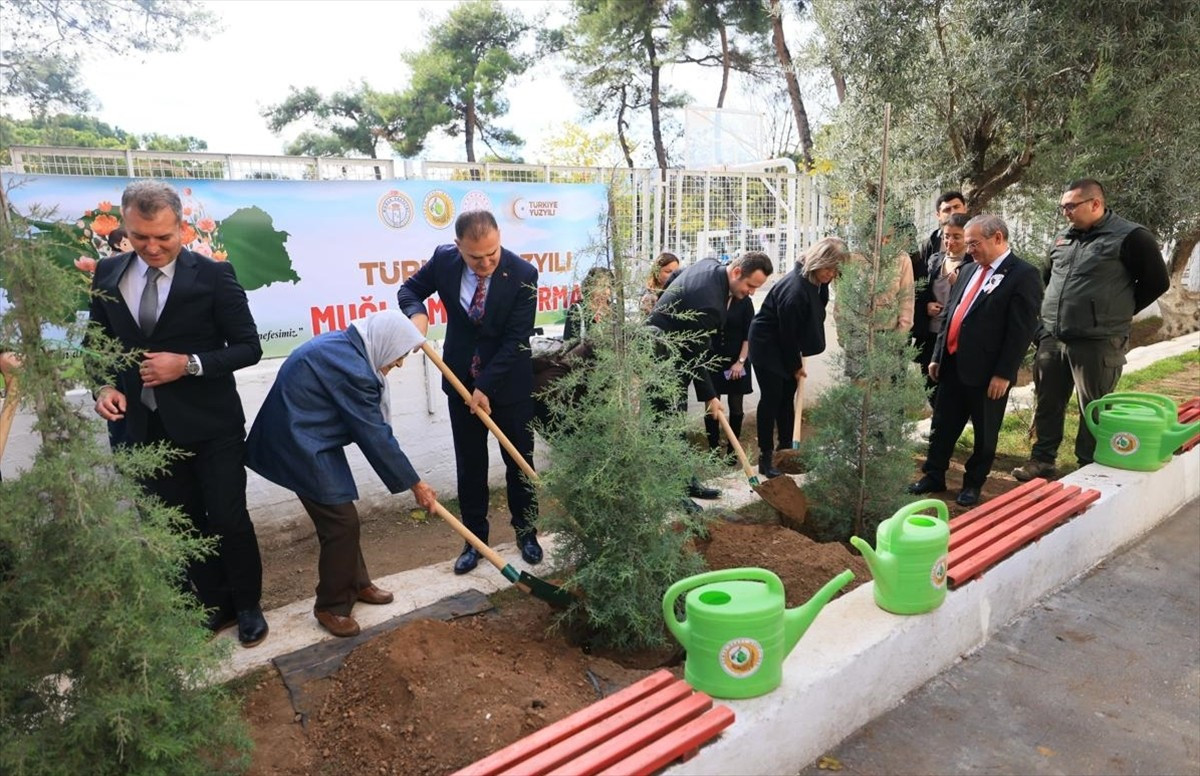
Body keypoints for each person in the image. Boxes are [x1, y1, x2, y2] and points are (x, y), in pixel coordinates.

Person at [88, 180, 268, 646]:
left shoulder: (213, 277)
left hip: (212, 427)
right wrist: (103, 386)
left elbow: (249, 347)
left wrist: (187, 364)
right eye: (140, 236)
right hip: (145, 430)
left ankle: (247, 605)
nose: (151, 247)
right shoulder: (107, 274)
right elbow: (97, 348)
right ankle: (215, 606)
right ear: (126, 226)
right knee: (179, 523)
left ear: (182, 228)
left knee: (227, 517)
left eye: (163, 237)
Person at [246, 311, 438, 638]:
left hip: (310, 430)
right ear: (386, 343)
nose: (400, 364)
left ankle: (357, 582)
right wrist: (415, 484)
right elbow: (374, 435)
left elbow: (372, 432)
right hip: (296, 441)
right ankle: (331, 605)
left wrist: (411, 482)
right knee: (341, 522)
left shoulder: (351, 347)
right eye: (400, 355)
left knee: (341, 516)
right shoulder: (353, 369)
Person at [396, 210, 541, 576]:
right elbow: (409, 290)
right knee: (470, 465)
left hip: (508, 385)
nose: (486, 262)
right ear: (459, 246)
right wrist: (418, 315)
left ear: (499, 239)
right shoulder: (445, 260)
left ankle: (527, 534)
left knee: (519, 463)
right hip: (460, 381)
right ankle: (475, 541)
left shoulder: (523, 274)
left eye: (492, 253)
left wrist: (485, 387)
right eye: (476, 257)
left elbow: (515, 340)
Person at [1012, 179, 1171, 481]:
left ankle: (1087, 465)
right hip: (1053, 338)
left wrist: (1115, 313)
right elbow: (1048, 278)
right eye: (1062, 207)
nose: (1065, 213)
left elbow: (1157, 282)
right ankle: (1042, 460)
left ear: (1095, 204)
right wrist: (1045, 324)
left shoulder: (1131, 237)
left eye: (1071, 206)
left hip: (1098, 341)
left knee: (1093, 407)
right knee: (1048, 401)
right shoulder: (1062, 238)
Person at [909, 214, 1042, 507]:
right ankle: (934, 474)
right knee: (941, 424)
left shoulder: (1023, 274)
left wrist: (1004, 373)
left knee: (984, 433)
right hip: (952, 364)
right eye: (967, 244)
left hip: (988, 372)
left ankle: (972, 484)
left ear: (998, 238)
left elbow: (1020, 331)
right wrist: (937, 355)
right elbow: (951, 316)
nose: (969, 249)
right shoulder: (969, 270)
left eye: (974, 243)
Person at [649, 250, 773, 501]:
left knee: (677, 422)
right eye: (750, 285)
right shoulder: (710, 304)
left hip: (674, 352)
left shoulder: (711, 266)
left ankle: (685, 482)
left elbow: (677, 275)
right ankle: (673, 494)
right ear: (737, 272)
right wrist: (710, 396)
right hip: (661, 359)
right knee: (666, 425)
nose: (751, 293)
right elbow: (696, 353)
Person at [749, 238, 848, 479]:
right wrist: (795, 366)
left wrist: (794, 364)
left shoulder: (815, 281)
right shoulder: (795, 290)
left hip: (786, 343)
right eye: (829, 268)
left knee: (787, 398)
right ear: (818, 262)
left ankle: (786, 452)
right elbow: (787, 334)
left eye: (836, 270)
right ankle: (765, 457)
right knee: (772, 399)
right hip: (768, 345)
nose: (832, 274)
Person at [914, 213, 973, 409]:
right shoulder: (934, 261)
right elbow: (920, 291)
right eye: (947, 236)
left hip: (956, 338)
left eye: (957, 236)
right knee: (929, 385)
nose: (950, 241)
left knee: (951, 390)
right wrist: (926, 305)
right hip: (931, 334)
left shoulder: (973, 265)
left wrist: (960, 285)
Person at [703, 293, 754, 462]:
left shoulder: (745, 302)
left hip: (737, 360)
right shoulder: (711, 297)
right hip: (712, 361)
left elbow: (749, 335)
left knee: (736, 407)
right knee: (711, 408)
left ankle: (733, 450)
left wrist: (740, 361)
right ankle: (714, 451)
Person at [563, 266, 614, 343]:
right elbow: (568, 346)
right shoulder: (577, 310)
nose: (605, 292)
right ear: (589, 287)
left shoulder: (615, 309)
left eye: (608, 287)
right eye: (601, 286)